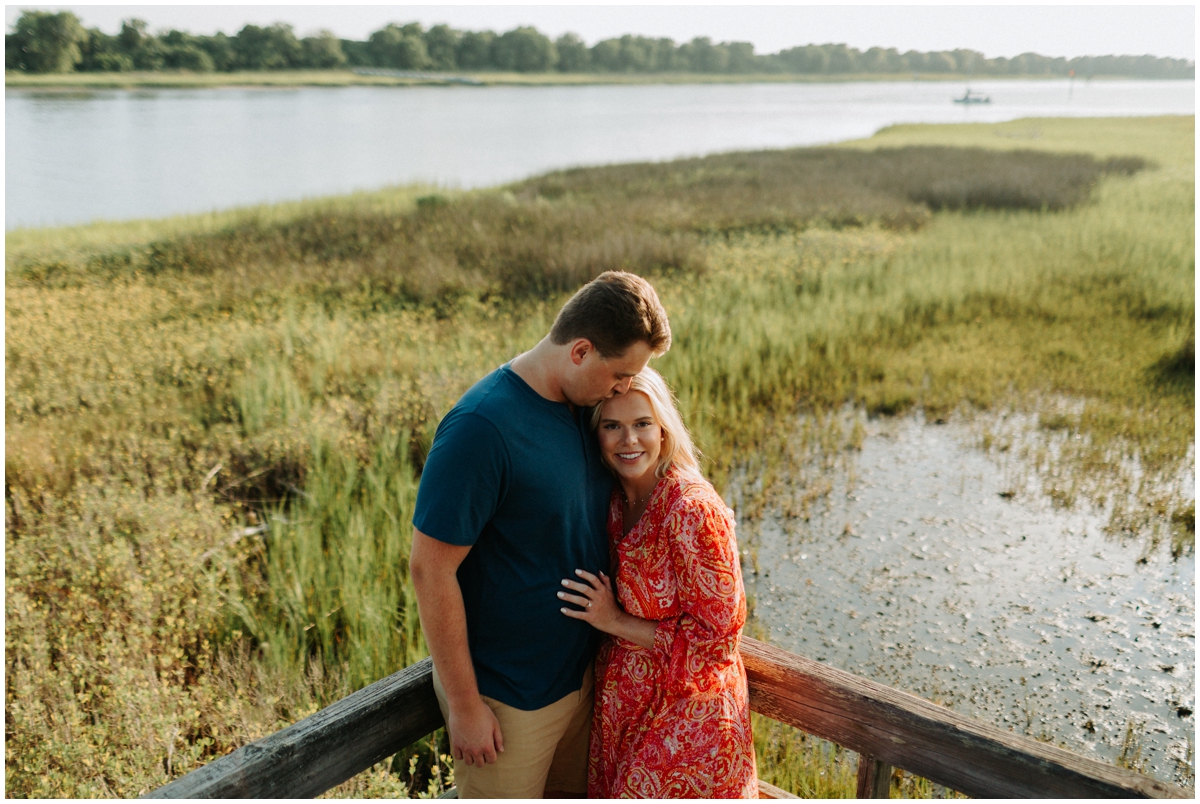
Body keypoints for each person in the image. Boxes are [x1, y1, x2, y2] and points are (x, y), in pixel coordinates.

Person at [409, 271, 672, 798]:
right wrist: (464, 708)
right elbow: (429, 568)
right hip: (510, 704)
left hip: (582, 684)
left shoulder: (584, 411)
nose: (624, 389)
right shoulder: (481, 428)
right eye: (620, 374)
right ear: (580, 351)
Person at [557, 367, 758, 799]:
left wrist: (613, 620)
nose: (629, 440)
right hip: (623, 709)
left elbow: (719, 640)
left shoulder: (692, 509)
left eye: (642, 424)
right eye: (613, 426)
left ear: (664, 430)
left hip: (687, 719)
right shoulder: (613, 499)